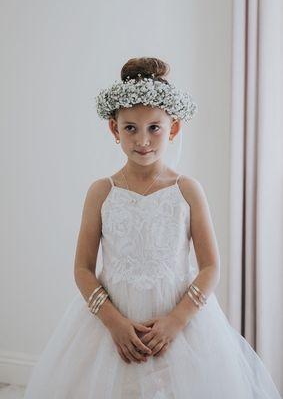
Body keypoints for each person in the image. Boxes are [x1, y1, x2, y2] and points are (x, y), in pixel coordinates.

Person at [23, 57, 282, 398]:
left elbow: (210, 266)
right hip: (112, 323)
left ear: (173, 128)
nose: (142, 140)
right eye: (130, 128)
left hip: (179, 322)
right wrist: (114, 323)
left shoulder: (187, 190)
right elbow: (83, 269)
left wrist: (177, 322)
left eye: (154, 128)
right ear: (114, 129)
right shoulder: (102, 192)